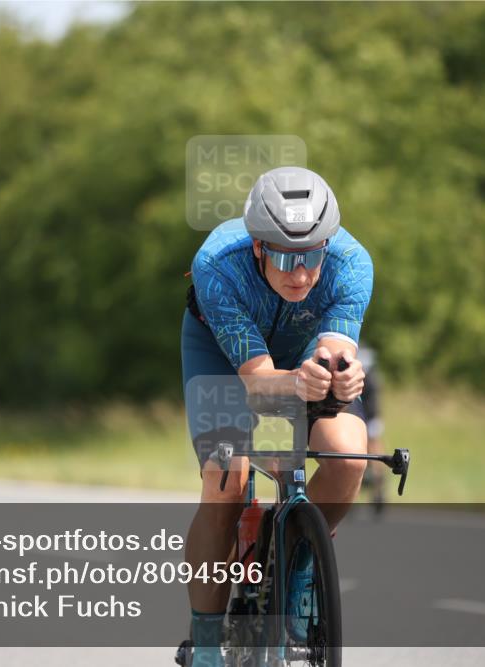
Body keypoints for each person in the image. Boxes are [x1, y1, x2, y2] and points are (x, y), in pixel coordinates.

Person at [180, 166, 373, 666]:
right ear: (259, 247)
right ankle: (205, 646)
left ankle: (301, 560)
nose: (302, 275)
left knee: (349, 456)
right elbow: (258, 380)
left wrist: (342, 376)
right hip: (226, 358)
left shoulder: (352, 262)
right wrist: (295, 383)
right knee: (226, 481)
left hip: (303, 349)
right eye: (286, 257)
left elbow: (334, 350)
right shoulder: (217, 264)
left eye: (312, 257)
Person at [357, 345, 389, 510]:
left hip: (370, 416)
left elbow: (373, 406)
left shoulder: (371, 380)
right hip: (361, 415)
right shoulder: (369, 375)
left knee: (373, 446)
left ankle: (378, 486)